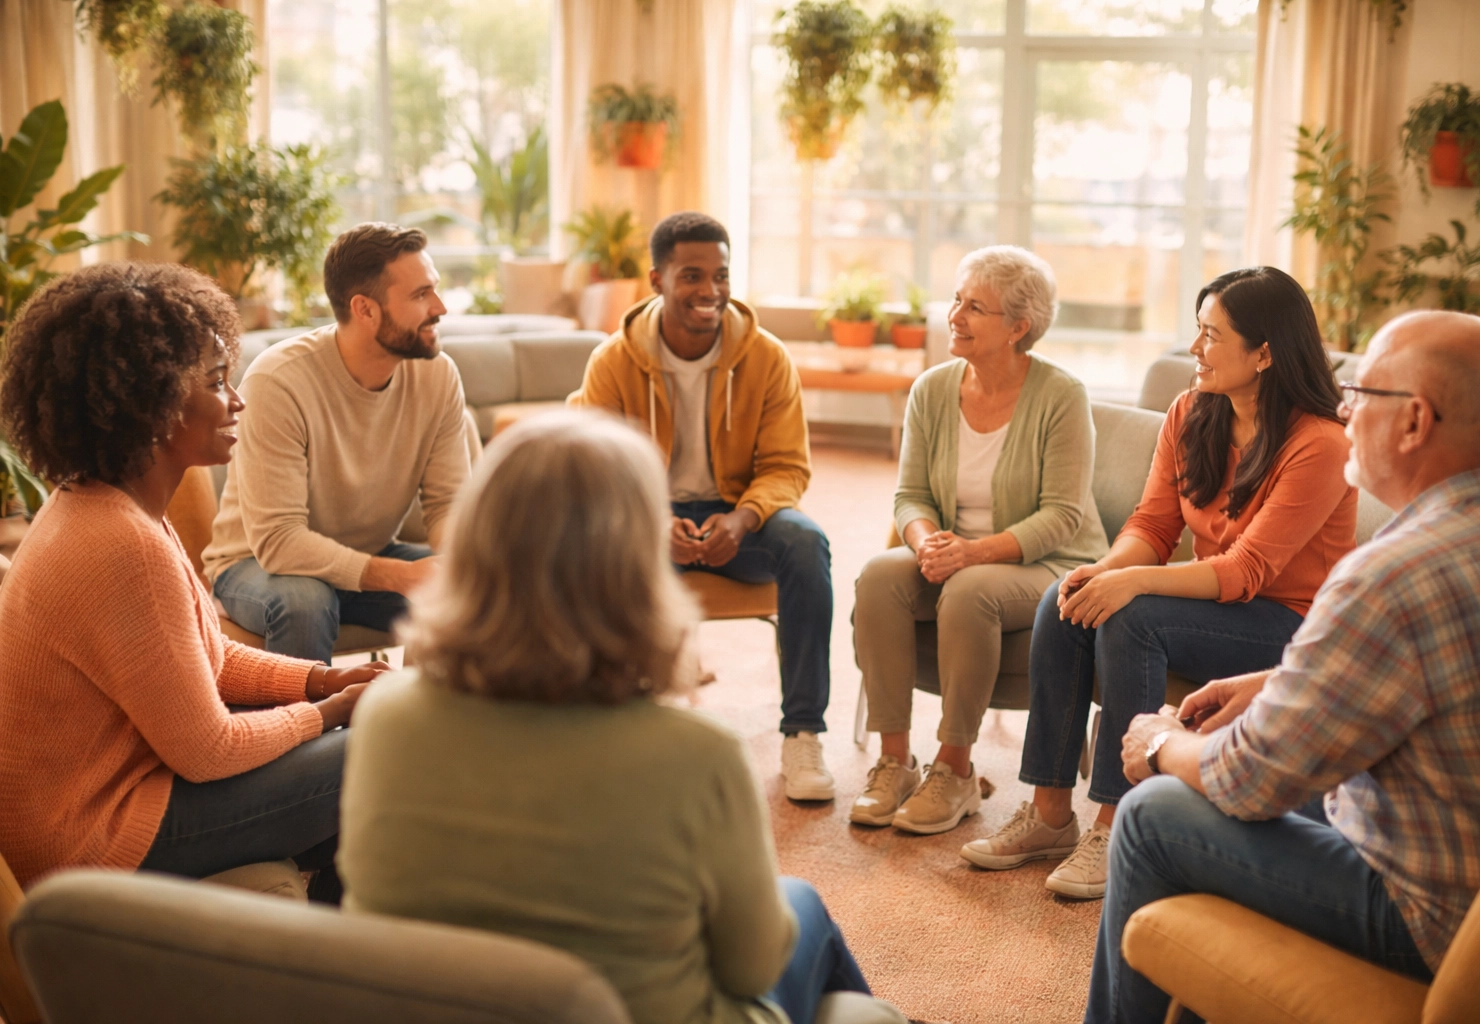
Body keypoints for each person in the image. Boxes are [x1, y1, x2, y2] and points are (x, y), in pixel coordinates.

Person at [338, 410, 901, 1024]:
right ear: (636, 568)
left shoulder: (386, 718)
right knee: (803, 909)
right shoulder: (697, 754)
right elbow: (752, 968)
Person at [1087, 310, 1480, 1024]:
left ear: (1414, 421)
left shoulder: (1393, 574)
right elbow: (1458, 670)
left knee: (1154, 812)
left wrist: (1160, 742)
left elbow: (1250, 779)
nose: (1344, 410)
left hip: (1430, 913)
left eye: (1360, 391)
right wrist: (1278, 684)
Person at [960, 266, 1357, 897]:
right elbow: (1152, 524)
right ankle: (1049, 814)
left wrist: (1135, 585)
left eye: (1211, 335)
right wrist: (1106, 571)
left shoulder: (1321, 443)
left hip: (1288, 626)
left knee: (1135, 615)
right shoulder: (1191, 410)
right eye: (1197, 330)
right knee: (1065, 598)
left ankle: (1117, 823)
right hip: (1214, 606)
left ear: (1263, 353)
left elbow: (1246, 571)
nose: (1195, 348)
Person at [0, 263, 382, 901]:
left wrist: (324, 680)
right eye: (215, 381)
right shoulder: (120, 542)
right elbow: (207, 749)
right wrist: (328, 713)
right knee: (376, 749)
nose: (236, 399)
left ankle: (323, 915)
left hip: (120, 798)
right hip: (93, 840)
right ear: (149, 403)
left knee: (362, 743)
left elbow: (207, 659)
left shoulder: (109, 507)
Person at [569, 211, 837, 802]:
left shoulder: (766, 358)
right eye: (692, 275)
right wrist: (650, 520)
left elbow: (787, 466)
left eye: (720, 275)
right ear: (657, 280)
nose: (710, 290)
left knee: (805, 542)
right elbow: (596, 470)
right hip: (647, 515)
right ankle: (617, 725)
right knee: (582, 549)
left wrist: (743, 519)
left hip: (739, 514)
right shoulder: (613, 361)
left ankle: (803, 733)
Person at [850, 246, 1108, 834]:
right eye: (956, 300)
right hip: (952, 553)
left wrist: (971, 553)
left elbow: (1062, 516)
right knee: (880, 575)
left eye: (974, 307)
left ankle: (955, 768)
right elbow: (910, 495)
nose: (955, 316)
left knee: (970, 591)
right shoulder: (932, 389)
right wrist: (925, 543)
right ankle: (895, 762)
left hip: (1050, 561)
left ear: (1018, 328)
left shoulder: (1062, 396)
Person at [203, 223, 471, 662]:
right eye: (421, 294)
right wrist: (400, 577)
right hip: (257, 563)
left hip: (369, 552)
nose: (439, 307)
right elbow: (280, 541)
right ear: (365, 309)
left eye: (435, 290)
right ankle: (310, 712)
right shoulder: (278, 381)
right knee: (306, 602)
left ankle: (419, 707)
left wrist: (467, 565)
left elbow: (447, 504)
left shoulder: (438, 375)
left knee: (479, 592)